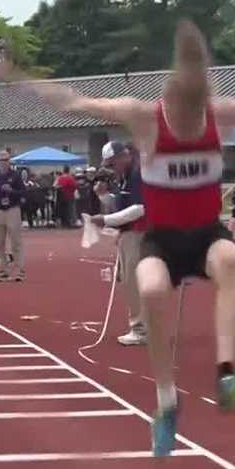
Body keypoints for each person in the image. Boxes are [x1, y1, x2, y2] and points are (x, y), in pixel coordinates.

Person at [7, 19, 235, 456]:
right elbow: (75, 104)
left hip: (206, 233)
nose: (193, 125)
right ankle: (166, 398)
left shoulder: (222, 113)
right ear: (172, 102)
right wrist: (21, 80)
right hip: (163, 239)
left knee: (229, 259)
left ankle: (226, 370)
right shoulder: (141, 115)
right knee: (151, 288)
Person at [89, 141, 148, 347]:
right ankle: (141, 326)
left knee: (134, 282)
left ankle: (141, 329)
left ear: (124, 157)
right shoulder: (124, 176)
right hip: (128, 233)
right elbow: (120, 205)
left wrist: (106, 221)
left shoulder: (138, 174)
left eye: (113, 164)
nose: (112, 169)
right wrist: (103, 195)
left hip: (139, 233)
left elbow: (139, 209)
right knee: (128, 280)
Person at [0, 151, 26, 282]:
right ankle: (3, 270)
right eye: (1, 160)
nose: (3, 162)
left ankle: (20, 270)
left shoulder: (15, 176)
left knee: (16, 241)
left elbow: (23, 193)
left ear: (9, 161)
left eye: (5, 160)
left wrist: (11, 191)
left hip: (12, 209)